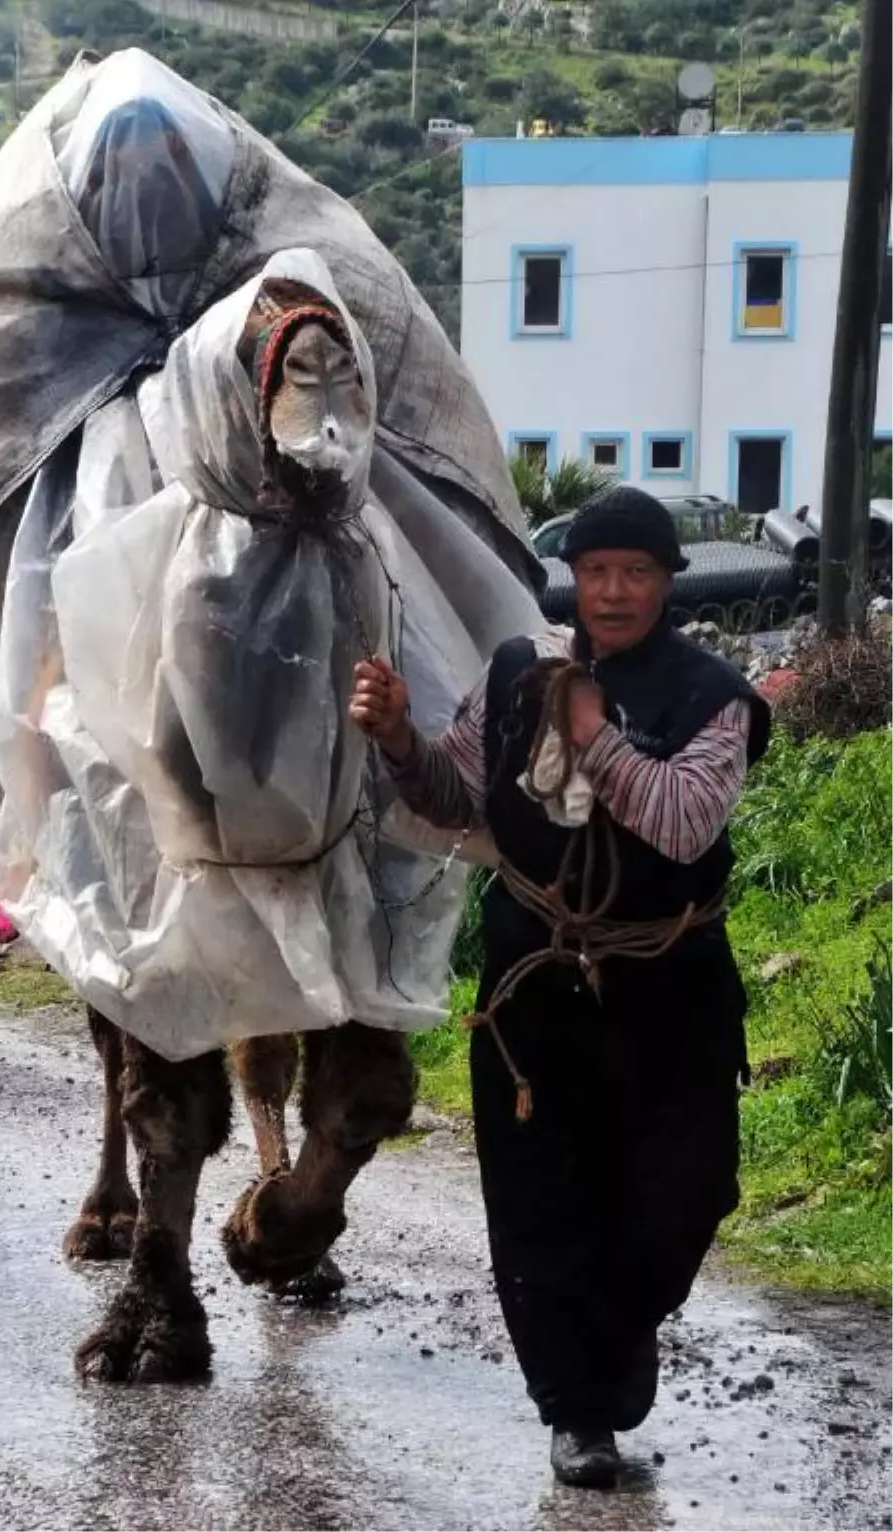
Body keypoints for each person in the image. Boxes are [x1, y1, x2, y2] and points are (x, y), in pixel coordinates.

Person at [349, 487, 770, 1489]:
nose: (613, 591)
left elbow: (681, 824)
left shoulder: (713, 698)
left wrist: (593, 730)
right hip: (535, 986)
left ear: (669, 582)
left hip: (668, 992)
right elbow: (456, 797)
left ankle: (621, 1334)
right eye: (595, 571)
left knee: (683, 1198)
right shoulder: (513, 674)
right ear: (571, 580)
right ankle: (576, 1411)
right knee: (544, 1206)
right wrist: (404, 737)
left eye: (635, 572)